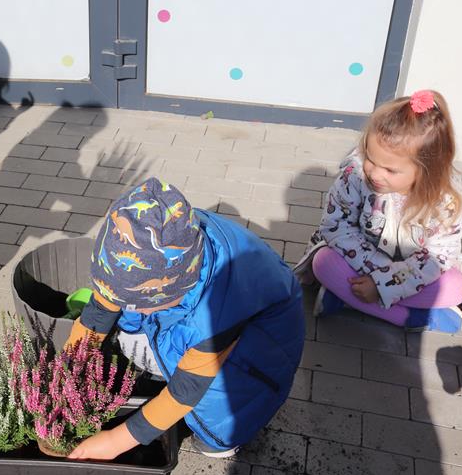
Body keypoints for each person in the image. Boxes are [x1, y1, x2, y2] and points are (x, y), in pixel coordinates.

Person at [62, 178, 304, 460]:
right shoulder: (162, 244)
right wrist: (68, 370)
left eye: (139, 305)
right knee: (134, 330)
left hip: (264, 348)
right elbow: (99, 312)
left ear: (175, 289)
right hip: (192, 304)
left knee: (218, 417)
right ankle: (164, 362)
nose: (130, 309)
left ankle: (225, 437)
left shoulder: (215, 315)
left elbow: (187, 389)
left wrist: (115, 442)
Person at [295, 90, 462, 333]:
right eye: (371, 159)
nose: (375, 173)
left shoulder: (445, 200)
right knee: (323, 263)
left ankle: (347, 299)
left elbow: (439, 257)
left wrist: (385, 284)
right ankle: (411, 317)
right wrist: (379, 275)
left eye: (390, 170)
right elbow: (337, 228)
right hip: (361, 260)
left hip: (413, 271)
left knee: (457, 287)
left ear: (427, 170)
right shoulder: (354, 175)